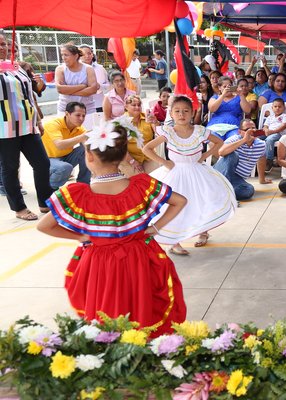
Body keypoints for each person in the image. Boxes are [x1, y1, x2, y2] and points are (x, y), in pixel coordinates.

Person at [37, 119, 187, 336]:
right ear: (124, 155)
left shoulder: (78, 194)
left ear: (89, 156)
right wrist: (155, 228)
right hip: (140, 258)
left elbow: (45, 226)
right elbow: (179, 201)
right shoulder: (141, 185)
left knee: (105, 311)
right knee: (141, 305)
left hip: (99, 263)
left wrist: (80, 237)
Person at [143, 96, 236, 255]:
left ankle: (203, 231)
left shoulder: (200, 131)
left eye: (185, 111)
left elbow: (219, 143)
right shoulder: (168, 132)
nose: (181, 114)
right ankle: (174, 241)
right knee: (173, 207)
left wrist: (204, 156)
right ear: (171, 114)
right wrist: (164, 162)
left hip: (196, 172)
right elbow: (147, 149)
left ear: (192, 113)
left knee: (202, 201)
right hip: (175, 173)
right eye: (177, 111)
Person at [0, 32, 53, 220]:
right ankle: (19, 208)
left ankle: (45, 202)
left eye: (5, 44)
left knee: (42, 164)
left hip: (28, 125)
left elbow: (29, 94)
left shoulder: (19, 67)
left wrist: (38, 120)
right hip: (4, 129)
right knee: (10, 168)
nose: (3, 48)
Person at [215, 119, 268, 200]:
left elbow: (261, 158)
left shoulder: (261, 144)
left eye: (253, 128)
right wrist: (244, 140)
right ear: (240, 132)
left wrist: (262, 179)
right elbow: (221, 152)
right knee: (232, 155)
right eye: (247, 130)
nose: (251, 131)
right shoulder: (234, 139)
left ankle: (221, 192)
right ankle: (221, 192)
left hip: (237, 178)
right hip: (221, 173)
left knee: (248, 190)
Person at [43, 102, 91, 189]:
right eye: (78, 115)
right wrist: (82, 137)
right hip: (47, 159)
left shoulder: (79, 128)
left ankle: (83, 185)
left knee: (88, 151)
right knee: (65, 168)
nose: (81, 118)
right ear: (67, 114)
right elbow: (59, 145)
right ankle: (49, 189)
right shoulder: (53, 124)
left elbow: (86, 146)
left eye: (83, 116)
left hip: (65, 157)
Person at [55, 44, 99, 128]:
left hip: (87, 110)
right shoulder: (60, 69)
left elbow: (93, 89)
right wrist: (82, 86)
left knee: (88, 138)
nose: (63, 57)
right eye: (62, 55)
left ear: (76, 56)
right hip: (65, 110)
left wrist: (68, 91)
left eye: (66, 55)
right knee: (67, 138)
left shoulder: (88, 69)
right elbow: (60, 89)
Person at [118, 95, 159, 176]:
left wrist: (156, 122)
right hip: (128, 158)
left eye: (139, 105)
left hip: (149, 156)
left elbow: (159, 133)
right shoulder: (121, 122)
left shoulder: (147, 117)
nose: (137, 107)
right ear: (126, 107)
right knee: (139, 181)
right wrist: (132, 161)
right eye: (133, 105)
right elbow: (120, 148)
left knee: (156, 177)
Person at [208, 77, 252, 141]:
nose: (227, 88)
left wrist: (241, 95)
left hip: (234, 126)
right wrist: (222, 95)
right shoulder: (215, 97)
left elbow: (247, 110)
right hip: (216, 125)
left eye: (229, 86)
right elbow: (212, 109)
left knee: (234, 140)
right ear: (220, 88)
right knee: (213, 140)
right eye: (224, 86)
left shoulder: (238, 97)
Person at [79, 46, 109, 118]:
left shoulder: (100, 68)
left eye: (89, 53)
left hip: (98, 103)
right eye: (83, 54)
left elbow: (108, 85)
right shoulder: (75, 69)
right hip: (82, 105)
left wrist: (100, 86)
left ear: (92, 54)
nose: (87, 56)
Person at [262, 99, 286, 174]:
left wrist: (272, 131)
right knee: (256, 138)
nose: (277, 108)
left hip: (279, 134)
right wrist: (266, 130)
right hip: (269, 133)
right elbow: (265, 126)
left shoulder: (284, 116)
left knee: (269, 140)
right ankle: (256, 160)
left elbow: (284, 126)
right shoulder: (270, 117)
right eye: (275, 106)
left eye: (279, 107)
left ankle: (269, 160)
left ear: (284, 108)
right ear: (272, 108)